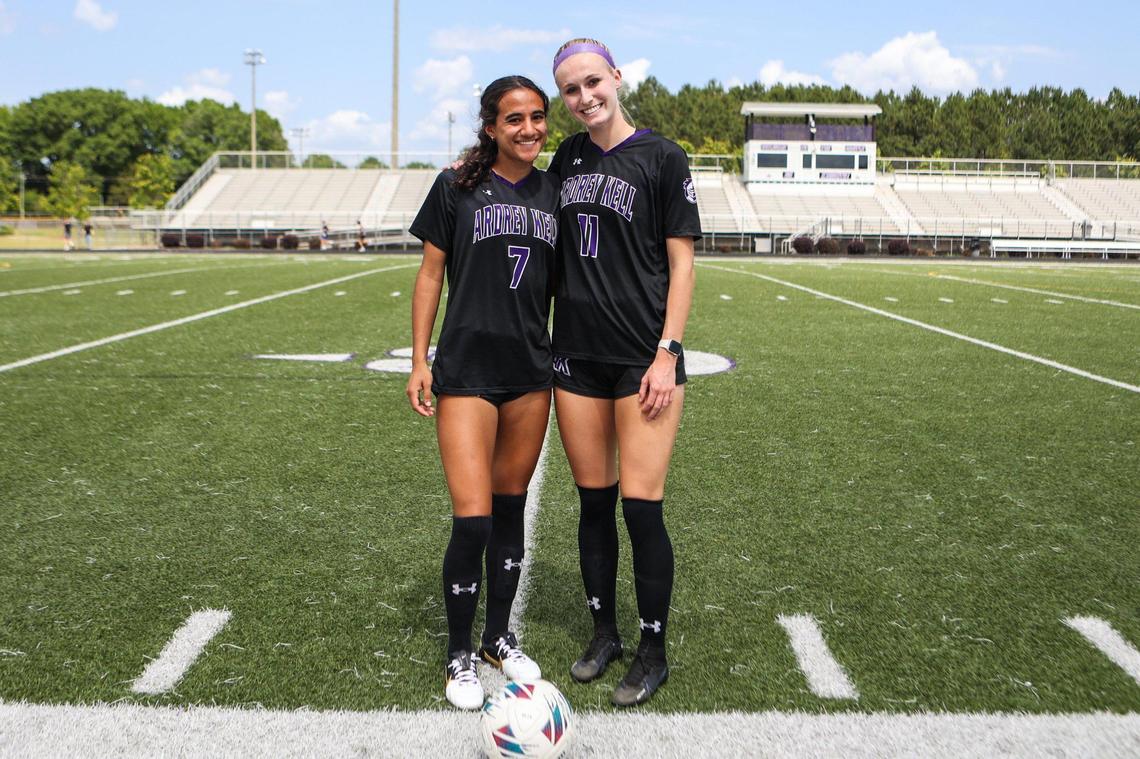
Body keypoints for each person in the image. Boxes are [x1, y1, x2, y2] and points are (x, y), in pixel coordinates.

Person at [549, 37, 702, 707]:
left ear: (616, 76)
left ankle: (654, 648)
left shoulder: (663, 157)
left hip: (644, 361)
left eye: (591, 82)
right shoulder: (566, 156)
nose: (584, 97)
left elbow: (683, 264)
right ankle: (604, 632)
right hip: (576, 358)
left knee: (642, 510)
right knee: (592, 504)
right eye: (570, 90)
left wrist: (668, 351)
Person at [406, 75, 560, 711]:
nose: (528, 129)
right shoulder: (456, 186)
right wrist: (419, 359)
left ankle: (500, 637)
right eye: (514, 119)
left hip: (530, 373)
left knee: (510, 508)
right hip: (467, 370)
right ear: (491, 127)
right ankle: (459, 652)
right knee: (471, 520)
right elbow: (430, 273)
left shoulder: (558, 193)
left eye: (538, 117)